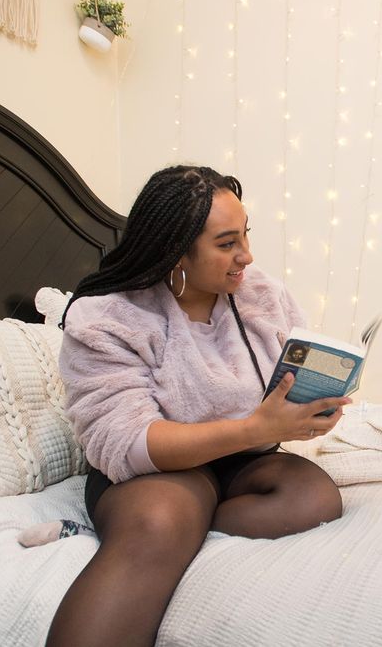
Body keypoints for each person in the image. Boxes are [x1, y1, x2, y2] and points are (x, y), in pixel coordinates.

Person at [46, 165, 350, 647]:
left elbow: (282, 383)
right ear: (175, 251)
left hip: (242, 460)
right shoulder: (108, 317)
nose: (246, 256)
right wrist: (254, 429)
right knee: (161, 520)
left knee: (313, 499)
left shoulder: (262, 298)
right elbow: (125, 440)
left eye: (245, 235)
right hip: (152, 469)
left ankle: (194, 521)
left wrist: (309, 409)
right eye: (227, 243)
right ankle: (175, 525)